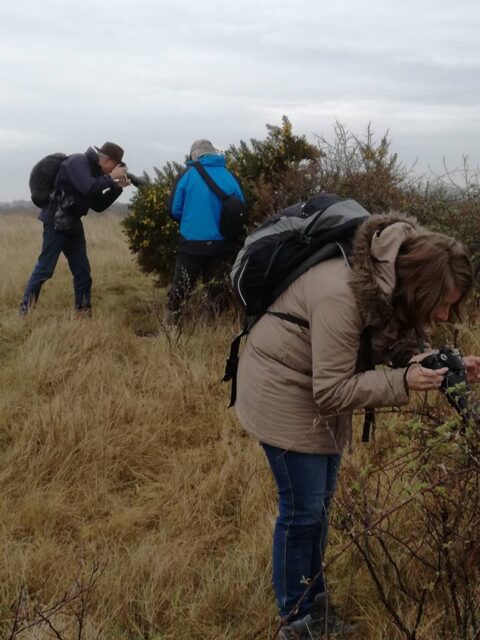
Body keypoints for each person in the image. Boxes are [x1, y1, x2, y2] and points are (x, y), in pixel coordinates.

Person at [234, 212, 480, 639]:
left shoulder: (388, 282)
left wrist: (436, 363)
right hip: (282, 387)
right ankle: (295, 621)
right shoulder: (339, 294)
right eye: (442, 303)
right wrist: (404, 381)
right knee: (303, 511)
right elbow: (332, 390)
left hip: (315, 383)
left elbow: (386, 342)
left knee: (320, 506)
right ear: (420, 285)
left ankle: (316, 607)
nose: (443, 315)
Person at [20, 142, 130, 315]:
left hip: (73, 225)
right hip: (56, 222)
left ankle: (83, 314)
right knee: (44, 270)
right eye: (115, 167)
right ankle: (24, 312)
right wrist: (110, 179)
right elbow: (88, 187)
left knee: (83, 273)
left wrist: (116, 188)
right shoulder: (78, 163)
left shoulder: (96, 173)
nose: (113, 171)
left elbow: (98, 205)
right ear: (108, 161)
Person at [166, 139, 245, 324]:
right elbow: (241, 208)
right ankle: (209, 328)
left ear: (194, 155)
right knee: (215, 291)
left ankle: (171, 327)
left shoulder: (187, 175)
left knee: (181, 289)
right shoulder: (230, 176)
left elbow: (173, 210)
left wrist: (191, 222)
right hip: (222, 244)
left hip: (191, 243)